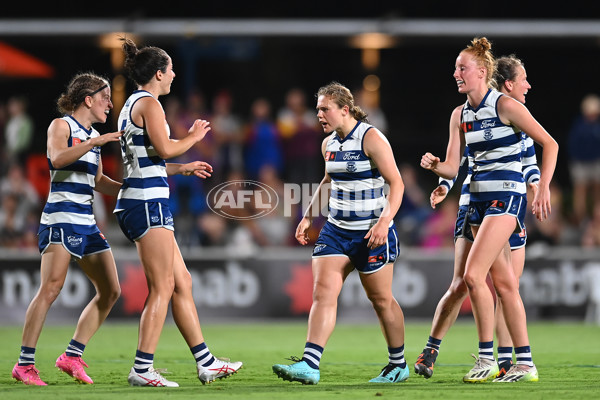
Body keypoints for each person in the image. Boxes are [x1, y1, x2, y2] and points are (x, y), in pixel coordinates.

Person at [420, 37, 558, 383]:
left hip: (506, 199)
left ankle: (492, 359)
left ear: (482, 72)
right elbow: (454, 167)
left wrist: (541, 186)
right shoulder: (460, 114)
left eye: (461, 68)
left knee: (471, 276)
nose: (456, 74)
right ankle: (519, 363)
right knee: (505, 284)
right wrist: (436, 167)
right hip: (477, 201)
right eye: (455, 68)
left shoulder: (506, 106)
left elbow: (549, 144)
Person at [115, 37, 242, 388]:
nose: (174, 75)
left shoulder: (131, 105)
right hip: (146, 203)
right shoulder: (149, 104)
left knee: (181, 282)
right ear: (158, 73)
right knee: (163, 286)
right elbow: (166, 148)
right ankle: (142, 369)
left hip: (140, 198)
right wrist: (194, 137)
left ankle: (207, 362)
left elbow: (149, 162)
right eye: (170, 69)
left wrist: (181, 168)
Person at [272, 82, 407, 384]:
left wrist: (384, 222)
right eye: (317, 109)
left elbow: (397, 184)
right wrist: (308, 216)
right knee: (323, 293)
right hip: (335, 230)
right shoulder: (328, 144)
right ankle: (309, 363)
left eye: (324, 109)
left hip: (371, 232)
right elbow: (327, 180)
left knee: (381, 300)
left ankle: (398, 364)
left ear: (344, 110)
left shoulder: (371, 138)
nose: (318, 114)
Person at [11, 73, 123, 386]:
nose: (110, 104)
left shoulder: (93, 136)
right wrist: (94, 142)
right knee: (50, 289)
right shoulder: (62, 126)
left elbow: (99, 181)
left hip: (86, 223)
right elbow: (57, 159)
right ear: (88, 99)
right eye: (105, 97)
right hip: (60, 219)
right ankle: (24, 365)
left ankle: (72, 356)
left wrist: (131, 189)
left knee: (111, 290)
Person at [567, 93, 600, 225]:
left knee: (597, 191)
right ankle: (581, 221)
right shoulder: (579, 125)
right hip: (580, 163)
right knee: (580, 191)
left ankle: (596, 220)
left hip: (596, 162)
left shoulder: (597, 125)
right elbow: (572, 145)